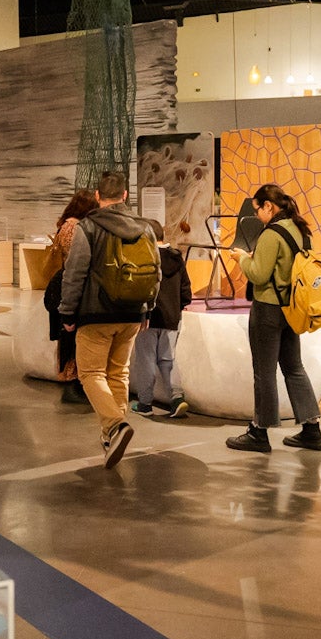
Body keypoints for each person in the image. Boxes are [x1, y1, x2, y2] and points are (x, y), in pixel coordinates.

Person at [59, 170, 157, 469]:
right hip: (132, 314)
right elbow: (157, 271)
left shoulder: (88, 228)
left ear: (98, 197)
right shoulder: (146, 228)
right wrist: (148, 308)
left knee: (90, 374)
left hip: (96, 314)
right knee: (118, 374)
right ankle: (110, 436)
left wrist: (67, 312)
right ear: (125, 195)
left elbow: (74, 274)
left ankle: (115, 425)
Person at [225, 183, 321, 452]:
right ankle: (312, 429)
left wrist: (242, 259)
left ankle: (259, 432)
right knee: (294, 367)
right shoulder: (300, 230)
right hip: (291, 309)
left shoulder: (272, 234)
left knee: (264, 372)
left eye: (258, 209)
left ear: (269, 206)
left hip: (268, 309)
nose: (257, 215)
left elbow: (258, 274)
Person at [131, 219, 192, 418]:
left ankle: (145, 404)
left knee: (146, 360)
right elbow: (186, 292)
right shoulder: (177, 257)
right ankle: (176, 398)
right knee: (168, 360)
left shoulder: (144, 257)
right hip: (172, 317)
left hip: (147, 318)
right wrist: (177, 308)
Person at [43, 189, 99, 403]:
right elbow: (78, 260)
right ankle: (73, 377)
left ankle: (70, 375)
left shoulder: (66, 225)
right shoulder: (75, 228)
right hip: (71, 284)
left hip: (64, 282)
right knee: (71, 333)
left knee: (67, 333)